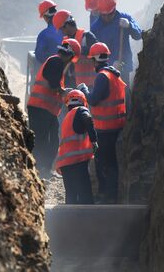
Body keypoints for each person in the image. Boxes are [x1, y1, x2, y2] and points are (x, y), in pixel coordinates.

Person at [77, 43, 126, 203]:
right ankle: (111, 194)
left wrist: (84, 90)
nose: (91, 63)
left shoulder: (102, 76)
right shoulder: (114, 75)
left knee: (103, 162)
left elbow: (94, 100)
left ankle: (106, 195)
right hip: (116, 125)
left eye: (92, 59)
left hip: (105, 128)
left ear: (96, 60)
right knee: (110, 161)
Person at [27, 38, 81, 178]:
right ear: (70, 55)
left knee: (52, 140)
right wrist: (65, 92)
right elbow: (52, 84)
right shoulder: (56, 62)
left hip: (46, 109)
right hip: (40, 108)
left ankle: (44, 168)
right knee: (42, 139)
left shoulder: (55, 62)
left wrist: (63, 90)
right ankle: (39, 169)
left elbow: (54, 83)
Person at [55, 90, 98, 204]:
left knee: (71, 195)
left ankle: (70, 220)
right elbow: (87, 118)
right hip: (77, 161)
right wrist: (94, 140)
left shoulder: (67, 118)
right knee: (85, 194)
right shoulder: (81, 110)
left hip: (65, 163)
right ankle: (89, 219)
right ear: (83, 101)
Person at [90, 0, 142, 86]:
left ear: (114, 9)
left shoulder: (125, 18)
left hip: (124, 67)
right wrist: (110, 65)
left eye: (109, 14)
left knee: (125, 95)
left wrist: (130, 26)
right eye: (103, 15)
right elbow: (95, 53)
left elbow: (138, 35)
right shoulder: (95, 28)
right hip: (105, 72)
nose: (106, 18)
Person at [53, 9, 98, 89]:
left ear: (66, 25)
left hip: (89, 86)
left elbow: (98, 56)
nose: (61, 32)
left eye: (61, 29)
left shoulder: (87, 36)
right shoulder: (65, 41)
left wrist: (81, 51)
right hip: (72, 85)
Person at [34, 0, 64, 64]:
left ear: (45, 17)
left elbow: (39, 55)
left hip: (53, 70)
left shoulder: (44, 35)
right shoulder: (68, 28)